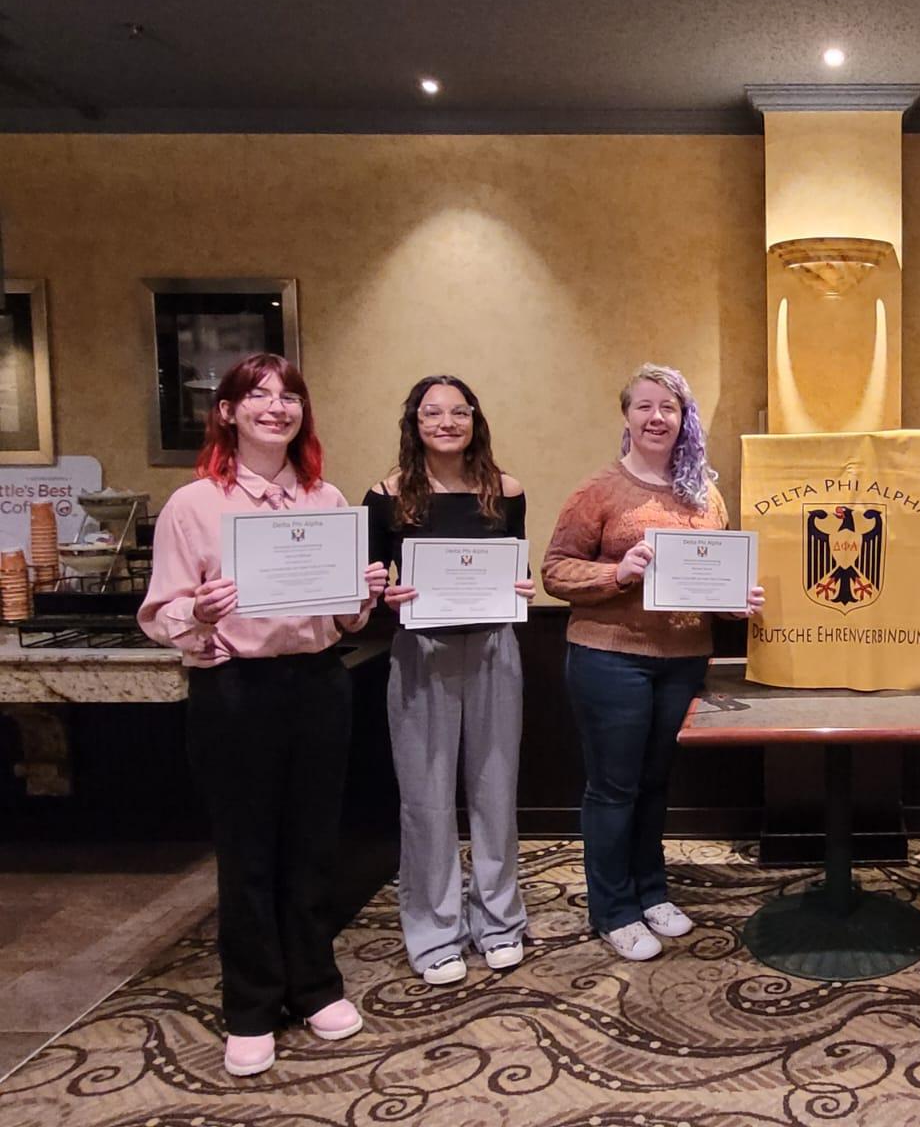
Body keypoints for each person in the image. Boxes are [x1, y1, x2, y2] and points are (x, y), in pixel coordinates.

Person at [138, 353, 387, 1078]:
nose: (276, 408)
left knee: (313, 843)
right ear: (228, 412)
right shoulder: (195, 505)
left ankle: (314, 985)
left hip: (317, 684)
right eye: (259, 396)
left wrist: (363, 588)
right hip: (235, 692)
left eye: (289, 397)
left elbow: (342, 620)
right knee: (247, 851)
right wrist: (199, 612)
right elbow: (160, 613)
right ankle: (250, 1006)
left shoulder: (327, 497)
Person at [542, 363, 763, 961]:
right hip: (609, 658)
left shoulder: (705, 495)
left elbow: (713, 580)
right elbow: (556, 569)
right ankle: (613, 908)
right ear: (627, 417)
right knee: (613, 789)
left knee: (655, 784)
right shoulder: (599, 490)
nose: (656, 417)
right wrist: (616, 572)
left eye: (668, 407)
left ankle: (650, 891)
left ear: (684, 418)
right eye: (644, 406)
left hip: (683, 660)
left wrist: (736, 602)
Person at [364, 376, 537, 987]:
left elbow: (517, 565)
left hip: (495, 647)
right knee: (427, 799)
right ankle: (435, 930)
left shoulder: (505, 490)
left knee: (495, 793)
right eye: (432, 413)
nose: (446, 422)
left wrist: (523, 587)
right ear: (414, 422)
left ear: (474, 419)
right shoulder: (386, 495)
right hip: (421, 652)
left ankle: (500, 922)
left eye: (458, 411)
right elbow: (371, 584)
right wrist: (388, 596)